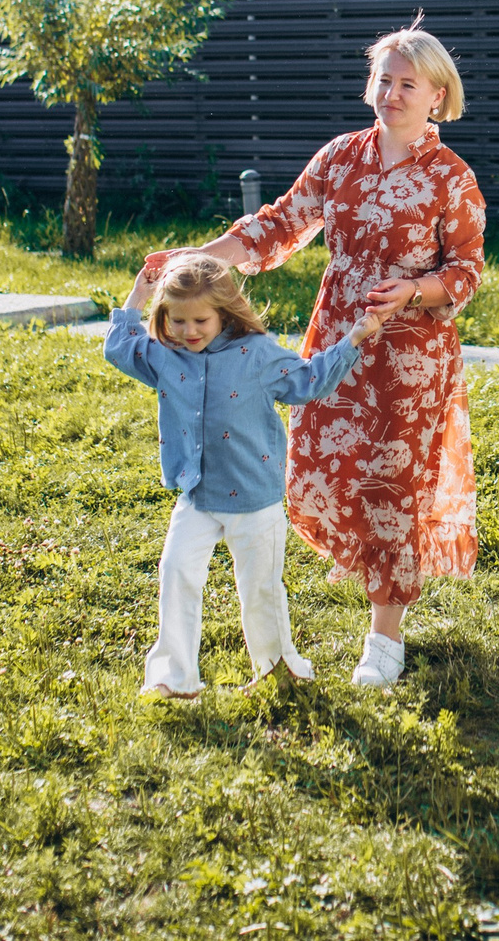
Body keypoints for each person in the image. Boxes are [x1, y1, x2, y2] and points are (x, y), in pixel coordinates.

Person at [179, 24, 486, 690]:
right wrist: (199, 258)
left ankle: (385, 637)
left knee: (390, 484)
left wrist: (413, 287)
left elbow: (466, 270)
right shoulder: (343, 156)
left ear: (437, 95)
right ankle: (369, 582)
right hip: (339, 341)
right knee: (316, 464)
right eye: (385, 79)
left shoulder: (450, 177)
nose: (393, 93)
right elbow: (280, 222)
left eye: (408, 83)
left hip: (409, 359)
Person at [106, 251, 391, 698]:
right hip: (196, 495)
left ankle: (279, 670)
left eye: (200, 320)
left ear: (224, 312)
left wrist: (354, 338)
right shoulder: (165, 354)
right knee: (176, 573)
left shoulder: (255, 354)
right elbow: (118, 346)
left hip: (255, 501)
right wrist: (139, 295)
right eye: (178, 321)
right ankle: (173, 678)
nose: (189, 331)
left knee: (259, 590)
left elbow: (309, 381)